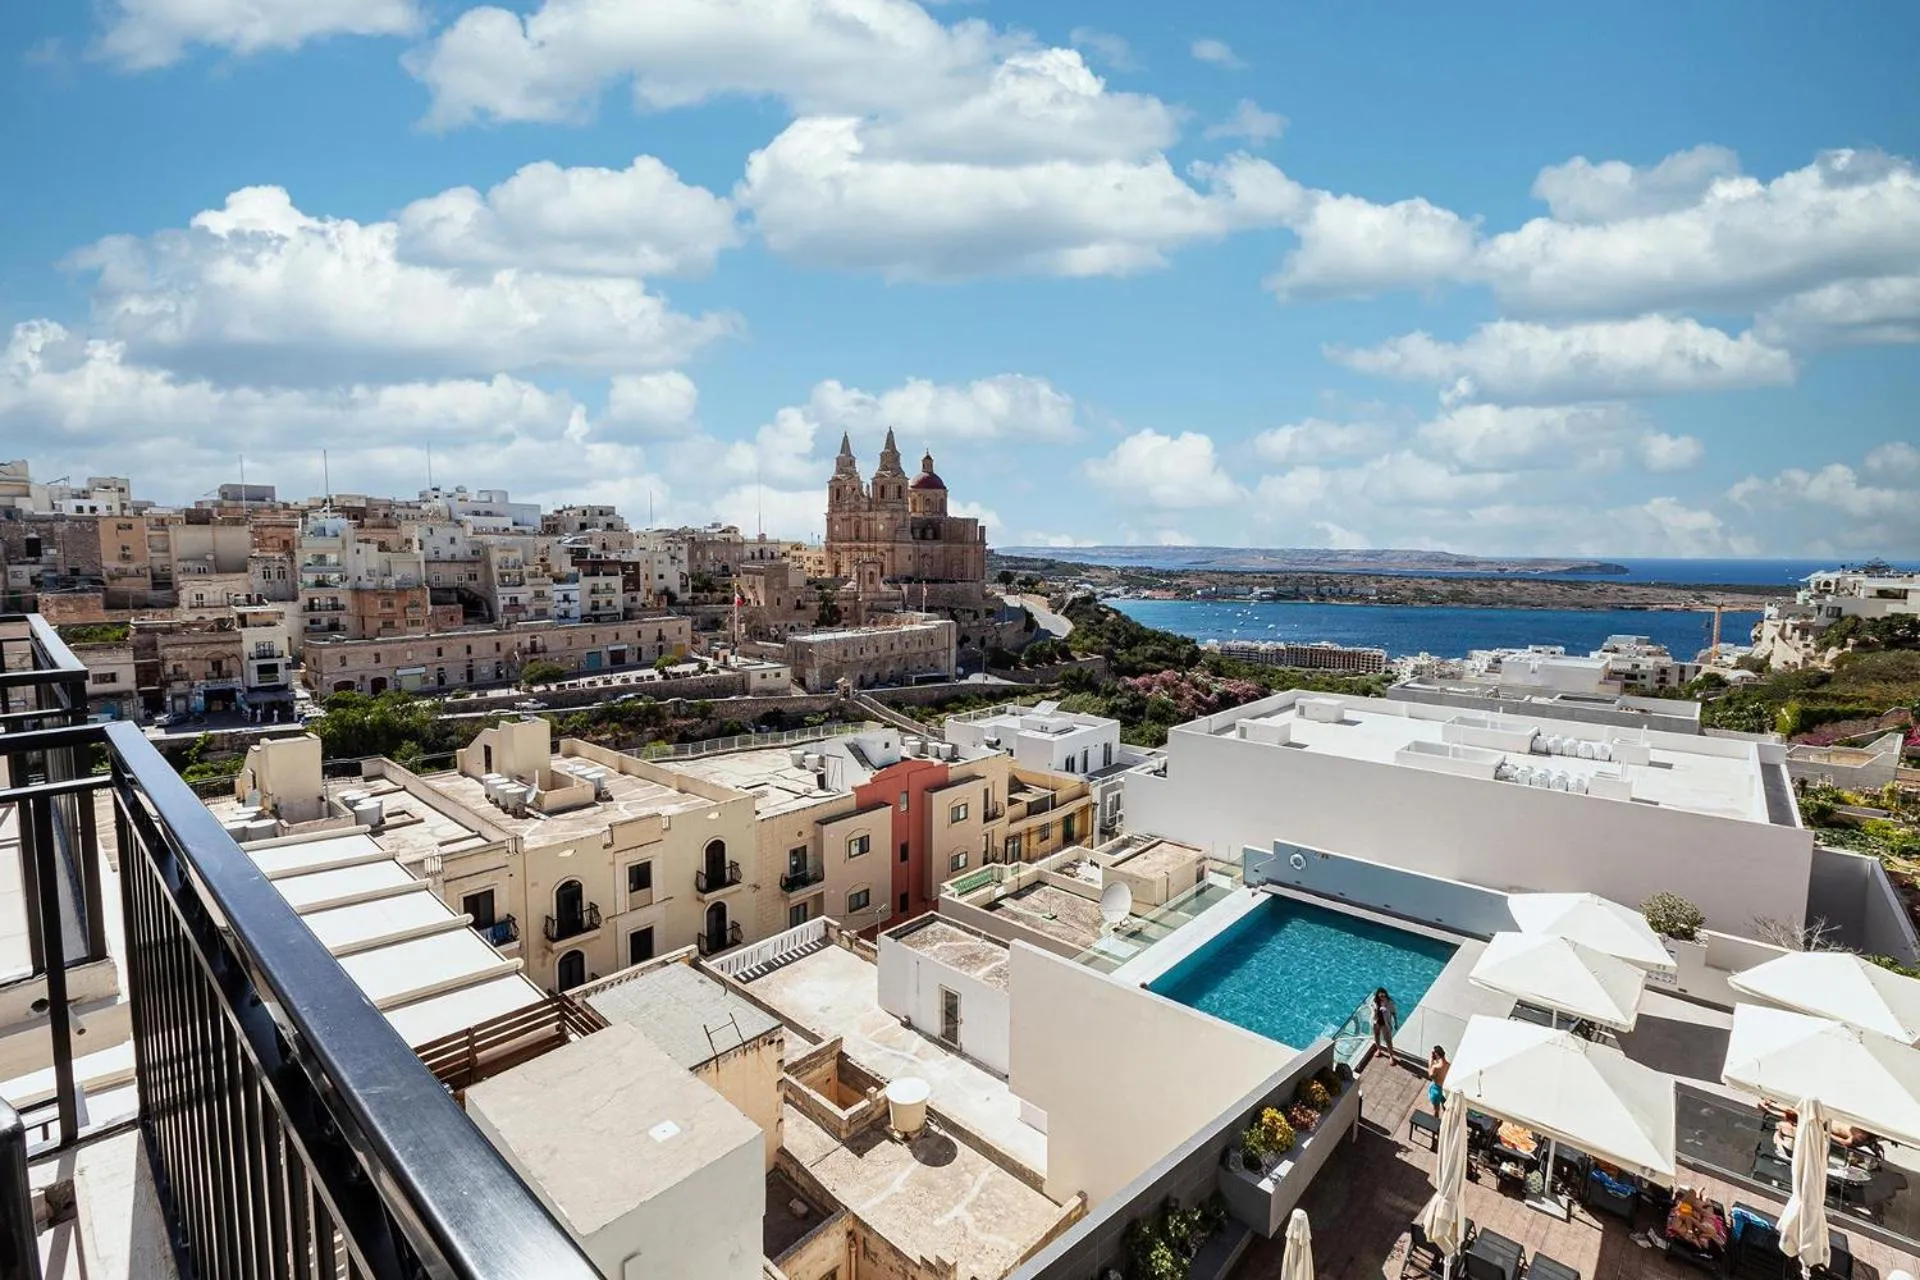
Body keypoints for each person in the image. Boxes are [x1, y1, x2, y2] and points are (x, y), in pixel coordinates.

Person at [1371, 988, 1399, 1056]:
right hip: (1376, 1022)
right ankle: (1379, 1049)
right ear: (1378, 996)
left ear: (1386, 995)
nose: (1382, 998)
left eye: (1384, 996)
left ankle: (1391, 1056)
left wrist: (1396, 1023)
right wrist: (1375, 1010)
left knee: (1388, 1040)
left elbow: (1394, 1013)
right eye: (1380, 996)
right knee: (1376, 1036)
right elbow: (1373, 1015)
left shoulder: (1389, 1003)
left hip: (1385, 1024)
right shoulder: (1375, 1002)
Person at [1427, 1046, 1450, 1113]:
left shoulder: (1436, 1067)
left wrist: (1430, 1064)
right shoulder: (1448, 1065)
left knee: (1436, 1110)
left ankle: (1435, 1122)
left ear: (1436, 1054)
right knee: (1445, 1105)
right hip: (1444, 1088)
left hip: (1436, 1090)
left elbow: (1430, 1076)